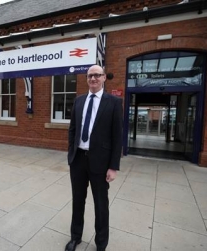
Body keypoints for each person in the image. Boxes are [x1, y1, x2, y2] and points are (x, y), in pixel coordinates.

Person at [66, 65, 123, 251]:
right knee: (77, 201)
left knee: (101, 204)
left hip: (100, 162)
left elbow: (117, 136)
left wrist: (113, 166)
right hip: (79, 160)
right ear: (86, 78)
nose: (93, 79)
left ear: (104, 77)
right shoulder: (79, 101)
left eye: (97, 75)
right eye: (90, 75)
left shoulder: (114, 102)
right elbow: (73, 129)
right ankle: (75, 237)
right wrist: (71, 155)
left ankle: (101, 243)